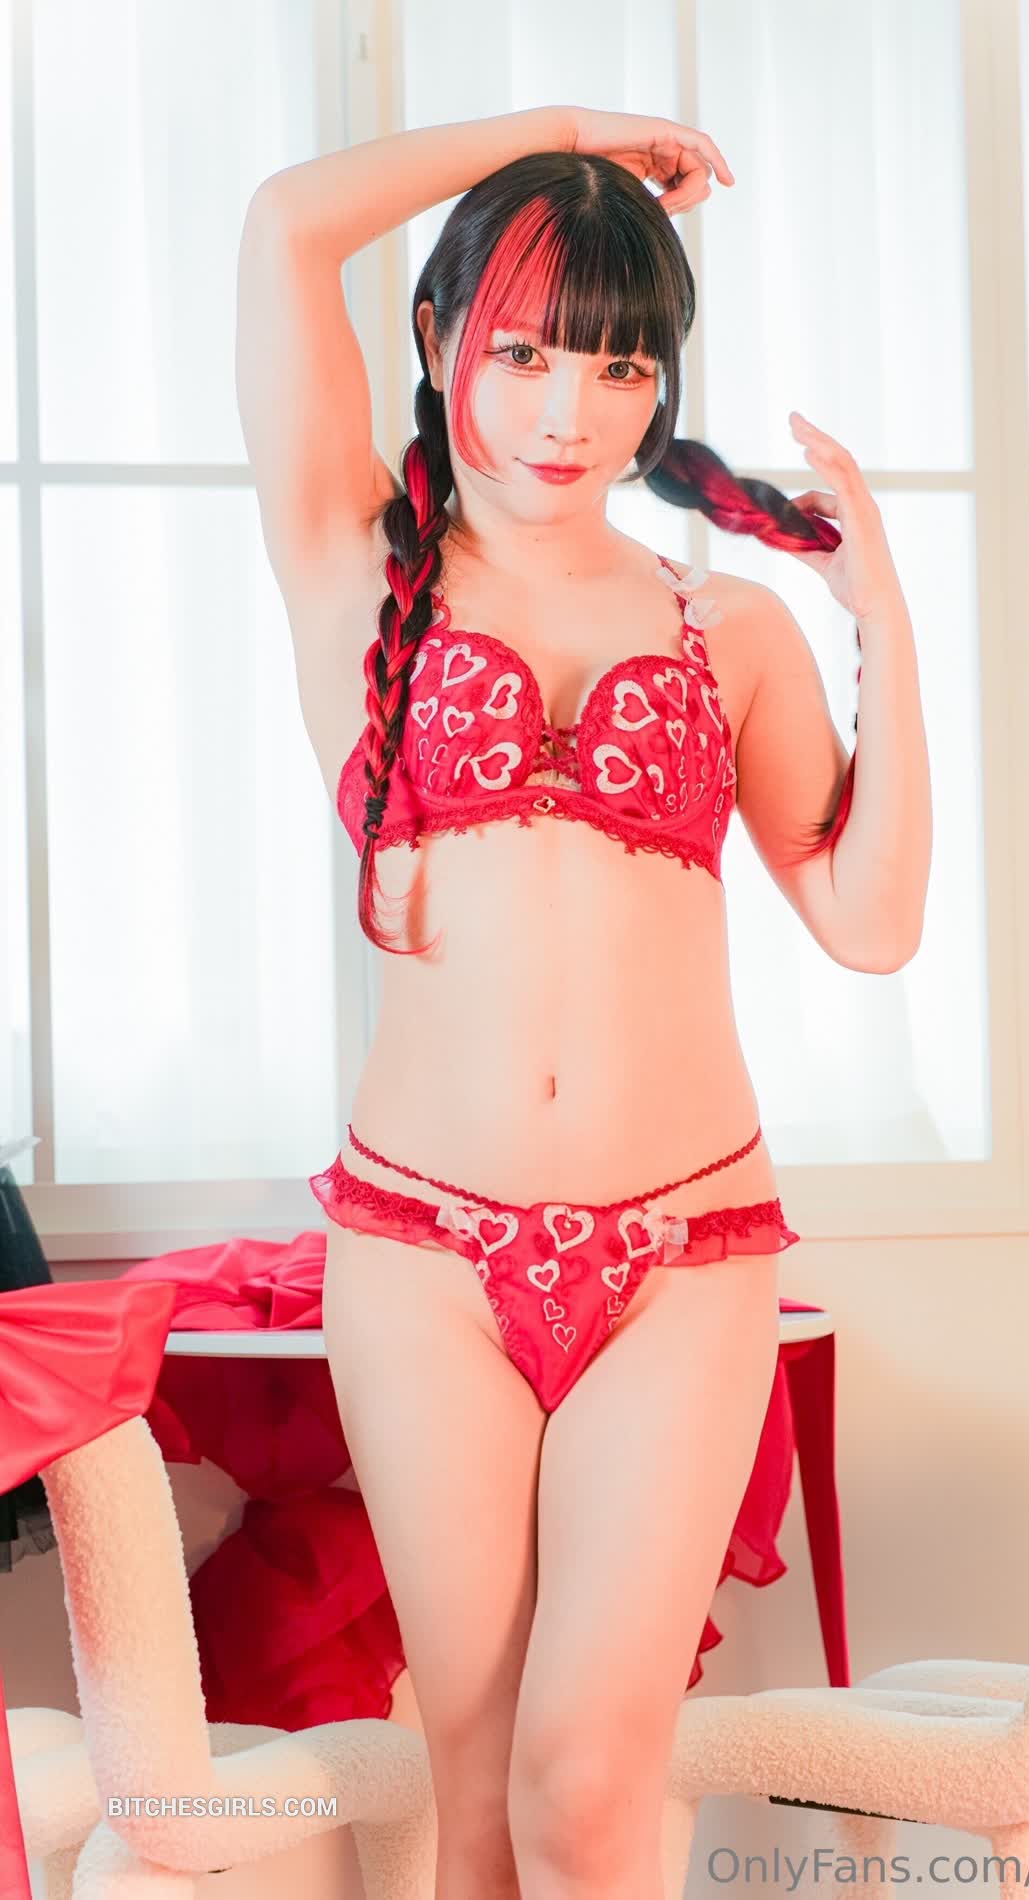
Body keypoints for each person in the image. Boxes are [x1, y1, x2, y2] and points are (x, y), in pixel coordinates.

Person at [235, 103, 927, 1900]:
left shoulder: (730, 629)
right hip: (423, 1256)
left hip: (682, 1259)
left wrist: (882, 615)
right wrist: (563, 137)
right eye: (524, 352)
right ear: (440, 340)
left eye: (620, 367)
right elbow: (288, 223)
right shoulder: (350, 566)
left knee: (588, 1783)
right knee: (475, 1798)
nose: (569, 412)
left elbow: (871, 922)